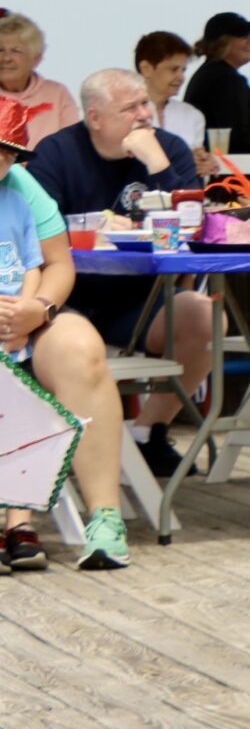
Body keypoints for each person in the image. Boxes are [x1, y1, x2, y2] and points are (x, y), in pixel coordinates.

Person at [27, 69, 210, 479]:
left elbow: (194, 226)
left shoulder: (168, 149)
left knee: (202, 314)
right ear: (95, 118)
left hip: (140, 304)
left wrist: (157, 164)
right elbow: (35, 232)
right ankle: (63, 454)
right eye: (131, 108)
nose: (145, 114)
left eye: (145, 103)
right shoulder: (56, 153)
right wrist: (95, 229)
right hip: (69, 302)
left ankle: (148, 432)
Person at [0, 99, 131, 572]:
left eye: (7, 153)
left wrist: (36, 310)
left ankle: (104, 519)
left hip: (19, 312)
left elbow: (53, 263)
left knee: (80, 348)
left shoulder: (18, 188)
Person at [181, 11, 250, 153]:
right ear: (222, 43)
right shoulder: (225, 79)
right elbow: (237, 137)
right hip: (228, 164)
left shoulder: (211, 74)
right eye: (242, 35)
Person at [0, 11, 81, 144]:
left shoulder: (57, 94)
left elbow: (72, 144)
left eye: (15, 51)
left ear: (36, 58)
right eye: (0, 50)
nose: (6, 58)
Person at [134, 30, 209, 161]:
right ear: (146, 69)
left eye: (183, 70)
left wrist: (202, 164)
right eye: (173, 69)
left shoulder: (192, 115)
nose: (181, 77)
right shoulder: (123, 113)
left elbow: (195, 164)